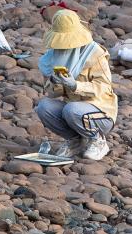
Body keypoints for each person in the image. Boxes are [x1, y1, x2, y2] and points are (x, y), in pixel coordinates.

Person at [34, 8, 117, 160]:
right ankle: (75, 141)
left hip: (101, 113)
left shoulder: (95, 53)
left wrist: (75, 85)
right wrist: (55, 82)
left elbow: (104, 88)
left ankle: (98, 140)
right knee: (44, 107)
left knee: (71, 109)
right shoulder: (52, 56)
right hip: (73, 112)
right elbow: (52, 94)